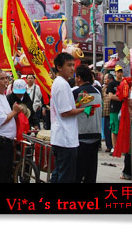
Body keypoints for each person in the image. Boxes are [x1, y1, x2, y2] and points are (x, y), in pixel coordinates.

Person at [50, 53, 85, 183]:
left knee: (59, 172)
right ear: (59, 67)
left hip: (62, 136)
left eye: (73, 65)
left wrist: (78, 104)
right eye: (69, 65)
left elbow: (65, 108)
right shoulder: (62, 85)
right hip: (65, 137)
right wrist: (85, 109)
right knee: (65, 176)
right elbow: (65, 112)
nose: (72, 68)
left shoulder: (61, 83)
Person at [73, 64, 102, 183]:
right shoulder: (98, 92)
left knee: (78, 173)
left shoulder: (77, 92)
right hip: (95, 135)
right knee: (91, 172)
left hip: (81, 136)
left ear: (79, 78)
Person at [107, 65, 124, 153]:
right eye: (118, 72)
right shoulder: (112, 84)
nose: (120, 73)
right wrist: (121, 98)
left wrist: (119, 97)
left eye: (121, 71)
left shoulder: (124, 83)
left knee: (123, 129)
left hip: (123, 109)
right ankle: (114, 147)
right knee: (114, 129)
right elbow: (110, 96)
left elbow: (126, 96)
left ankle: (122, 147)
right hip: (114, 109)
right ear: (115, 73)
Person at [101, 73, 114, 152]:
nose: (104, 80)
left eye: (105, 78)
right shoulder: (103, 88)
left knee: (112, 130)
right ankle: (109, 145)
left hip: (112, 111)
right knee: (106, 130)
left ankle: (113, 146)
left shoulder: (113, 87)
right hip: (105, 112)